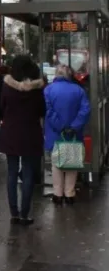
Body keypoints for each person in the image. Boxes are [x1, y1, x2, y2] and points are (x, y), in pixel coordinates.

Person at [0, 55, 45, 226]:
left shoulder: (7, 86)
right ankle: (25, 214)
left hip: (10, 132)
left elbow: (2, 106)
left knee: (11, 173)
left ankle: (14, 213)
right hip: (30, 134)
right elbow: (42, 110)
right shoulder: (37, 88)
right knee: (27, 173)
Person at [44, 64, 91, 206]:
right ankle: (70, 193)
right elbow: (85, 110)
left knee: (56, 164)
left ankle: (57, 194)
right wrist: (73, 127)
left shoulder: (48, 90)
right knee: (72, 162)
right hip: (74, 134)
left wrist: (60, 126)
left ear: (57, 75)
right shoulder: (79, 90)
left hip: (55, 133)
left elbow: (48, 111)